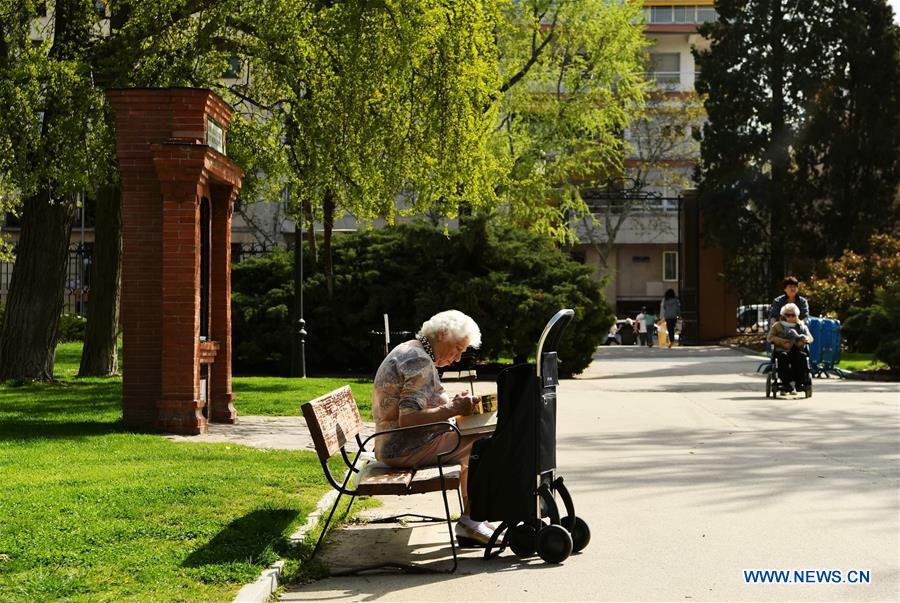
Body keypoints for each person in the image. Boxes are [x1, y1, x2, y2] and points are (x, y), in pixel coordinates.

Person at [372, 309, 495, 546]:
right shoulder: (419, 360)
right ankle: (471, 521)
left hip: (394, 442)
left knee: (480, 438)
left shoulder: (412, 349)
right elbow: (408, 419)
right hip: (403, 446)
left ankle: (473, 518)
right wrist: (453, 409)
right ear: (441, 334)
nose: (458, 358)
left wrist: (452, 404)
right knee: (486, 443)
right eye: (458, 349)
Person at [766, 303, 814, 394]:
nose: (791, 317)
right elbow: (770, 338)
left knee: (802, 357)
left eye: (793, 315)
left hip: (796, 349)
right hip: (782, 350)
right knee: (782, 357)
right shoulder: (777, 326)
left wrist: (803, 340)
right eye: (788, 315)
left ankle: (799, 383)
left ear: (797, 316)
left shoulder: (801, 326)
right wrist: (782, 342)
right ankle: (786, 383)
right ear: (784, 316)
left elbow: (810, 338)